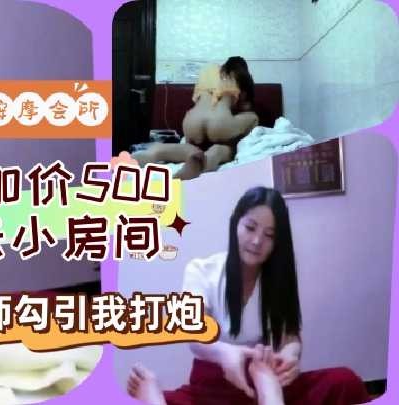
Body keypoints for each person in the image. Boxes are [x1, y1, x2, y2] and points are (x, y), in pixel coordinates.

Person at [127, 187, 370, 405]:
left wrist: (290, 355)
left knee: (345, 382)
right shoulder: (202, 270)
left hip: (263, 376)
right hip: (212, 387)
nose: (256, 241)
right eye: (250, 228)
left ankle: (268, 391)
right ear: (236, 224)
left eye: (269, 235)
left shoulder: (277, 278)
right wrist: (225, 353)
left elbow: (290, 336)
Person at [132, 57, 260, 180]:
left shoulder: (208, 72)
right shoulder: (240, 77)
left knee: (183, 148)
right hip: (220, 123)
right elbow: (246, 106)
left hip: (192, 123)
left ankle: (148, 155)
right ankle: (206, 160)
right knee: (221, 148)